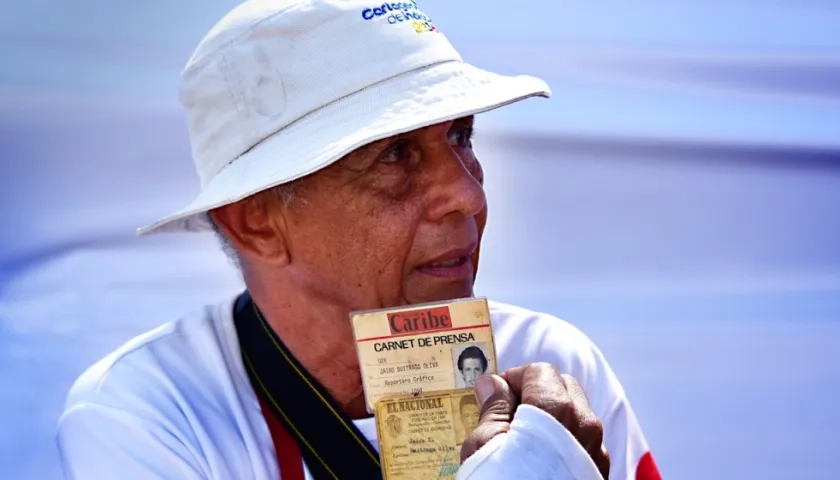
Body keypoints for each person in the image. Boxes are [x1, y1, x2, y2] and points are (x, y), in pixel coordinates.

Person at [56, 1, 661, 479]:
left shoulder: (551, 361)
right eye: (395, 155)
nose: (468, 194)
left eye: (461, 136)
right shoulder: (150, 415)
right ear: (256, 222)